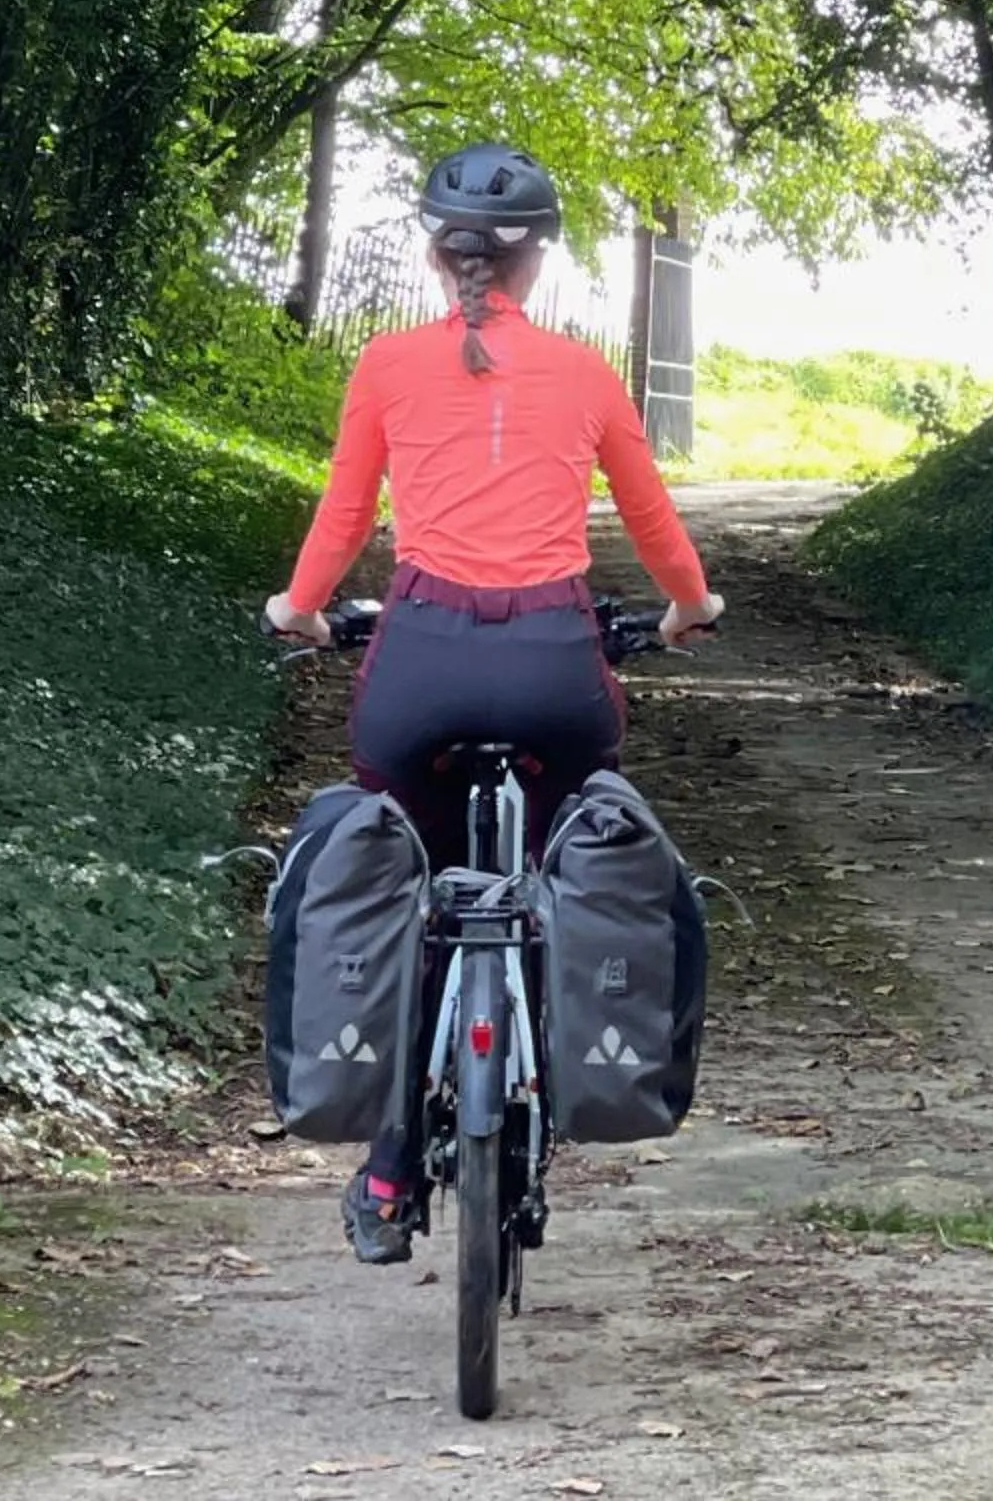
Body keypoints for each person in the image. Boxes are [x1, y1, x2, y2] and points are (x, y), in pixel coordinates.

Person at [265, 142, 724, 1265]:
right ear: (536, 264)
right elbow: (657, 527)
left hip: (416, 666)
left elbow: (339, 520)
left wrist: (300, 610)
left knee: (402, 886)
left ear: (436, 253)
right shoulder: (587, 374)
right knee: (572, 855)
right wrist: (686, 610)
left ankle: (385, 1168)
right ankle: (562, 1056)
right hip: (557, 671)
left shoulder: (383, 365)